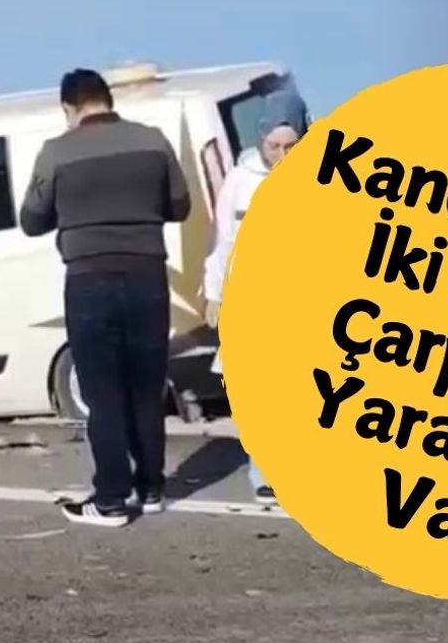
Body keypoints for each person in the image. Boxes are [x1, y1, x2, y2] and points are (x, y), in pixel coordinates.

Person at [20, 68, 191, 528]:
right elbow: (180, 205)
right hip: (147, 276)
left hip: (89, 279)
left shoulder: (56, 151)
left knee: (104, 392)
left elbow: (32, 219)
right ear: (108, 99)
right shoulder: (153, 141)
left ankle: (112, 498)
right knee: (145, 387)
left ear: (68, 107)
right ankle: (151, 488)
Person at [203, 90, 308, 505]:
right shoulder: (239, 180)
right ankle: (265, 473)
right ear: (261, 140)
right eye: (274, 146)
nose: (282, 155)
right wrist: (214, 294)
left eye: (291, 146)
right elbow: (221, 241)